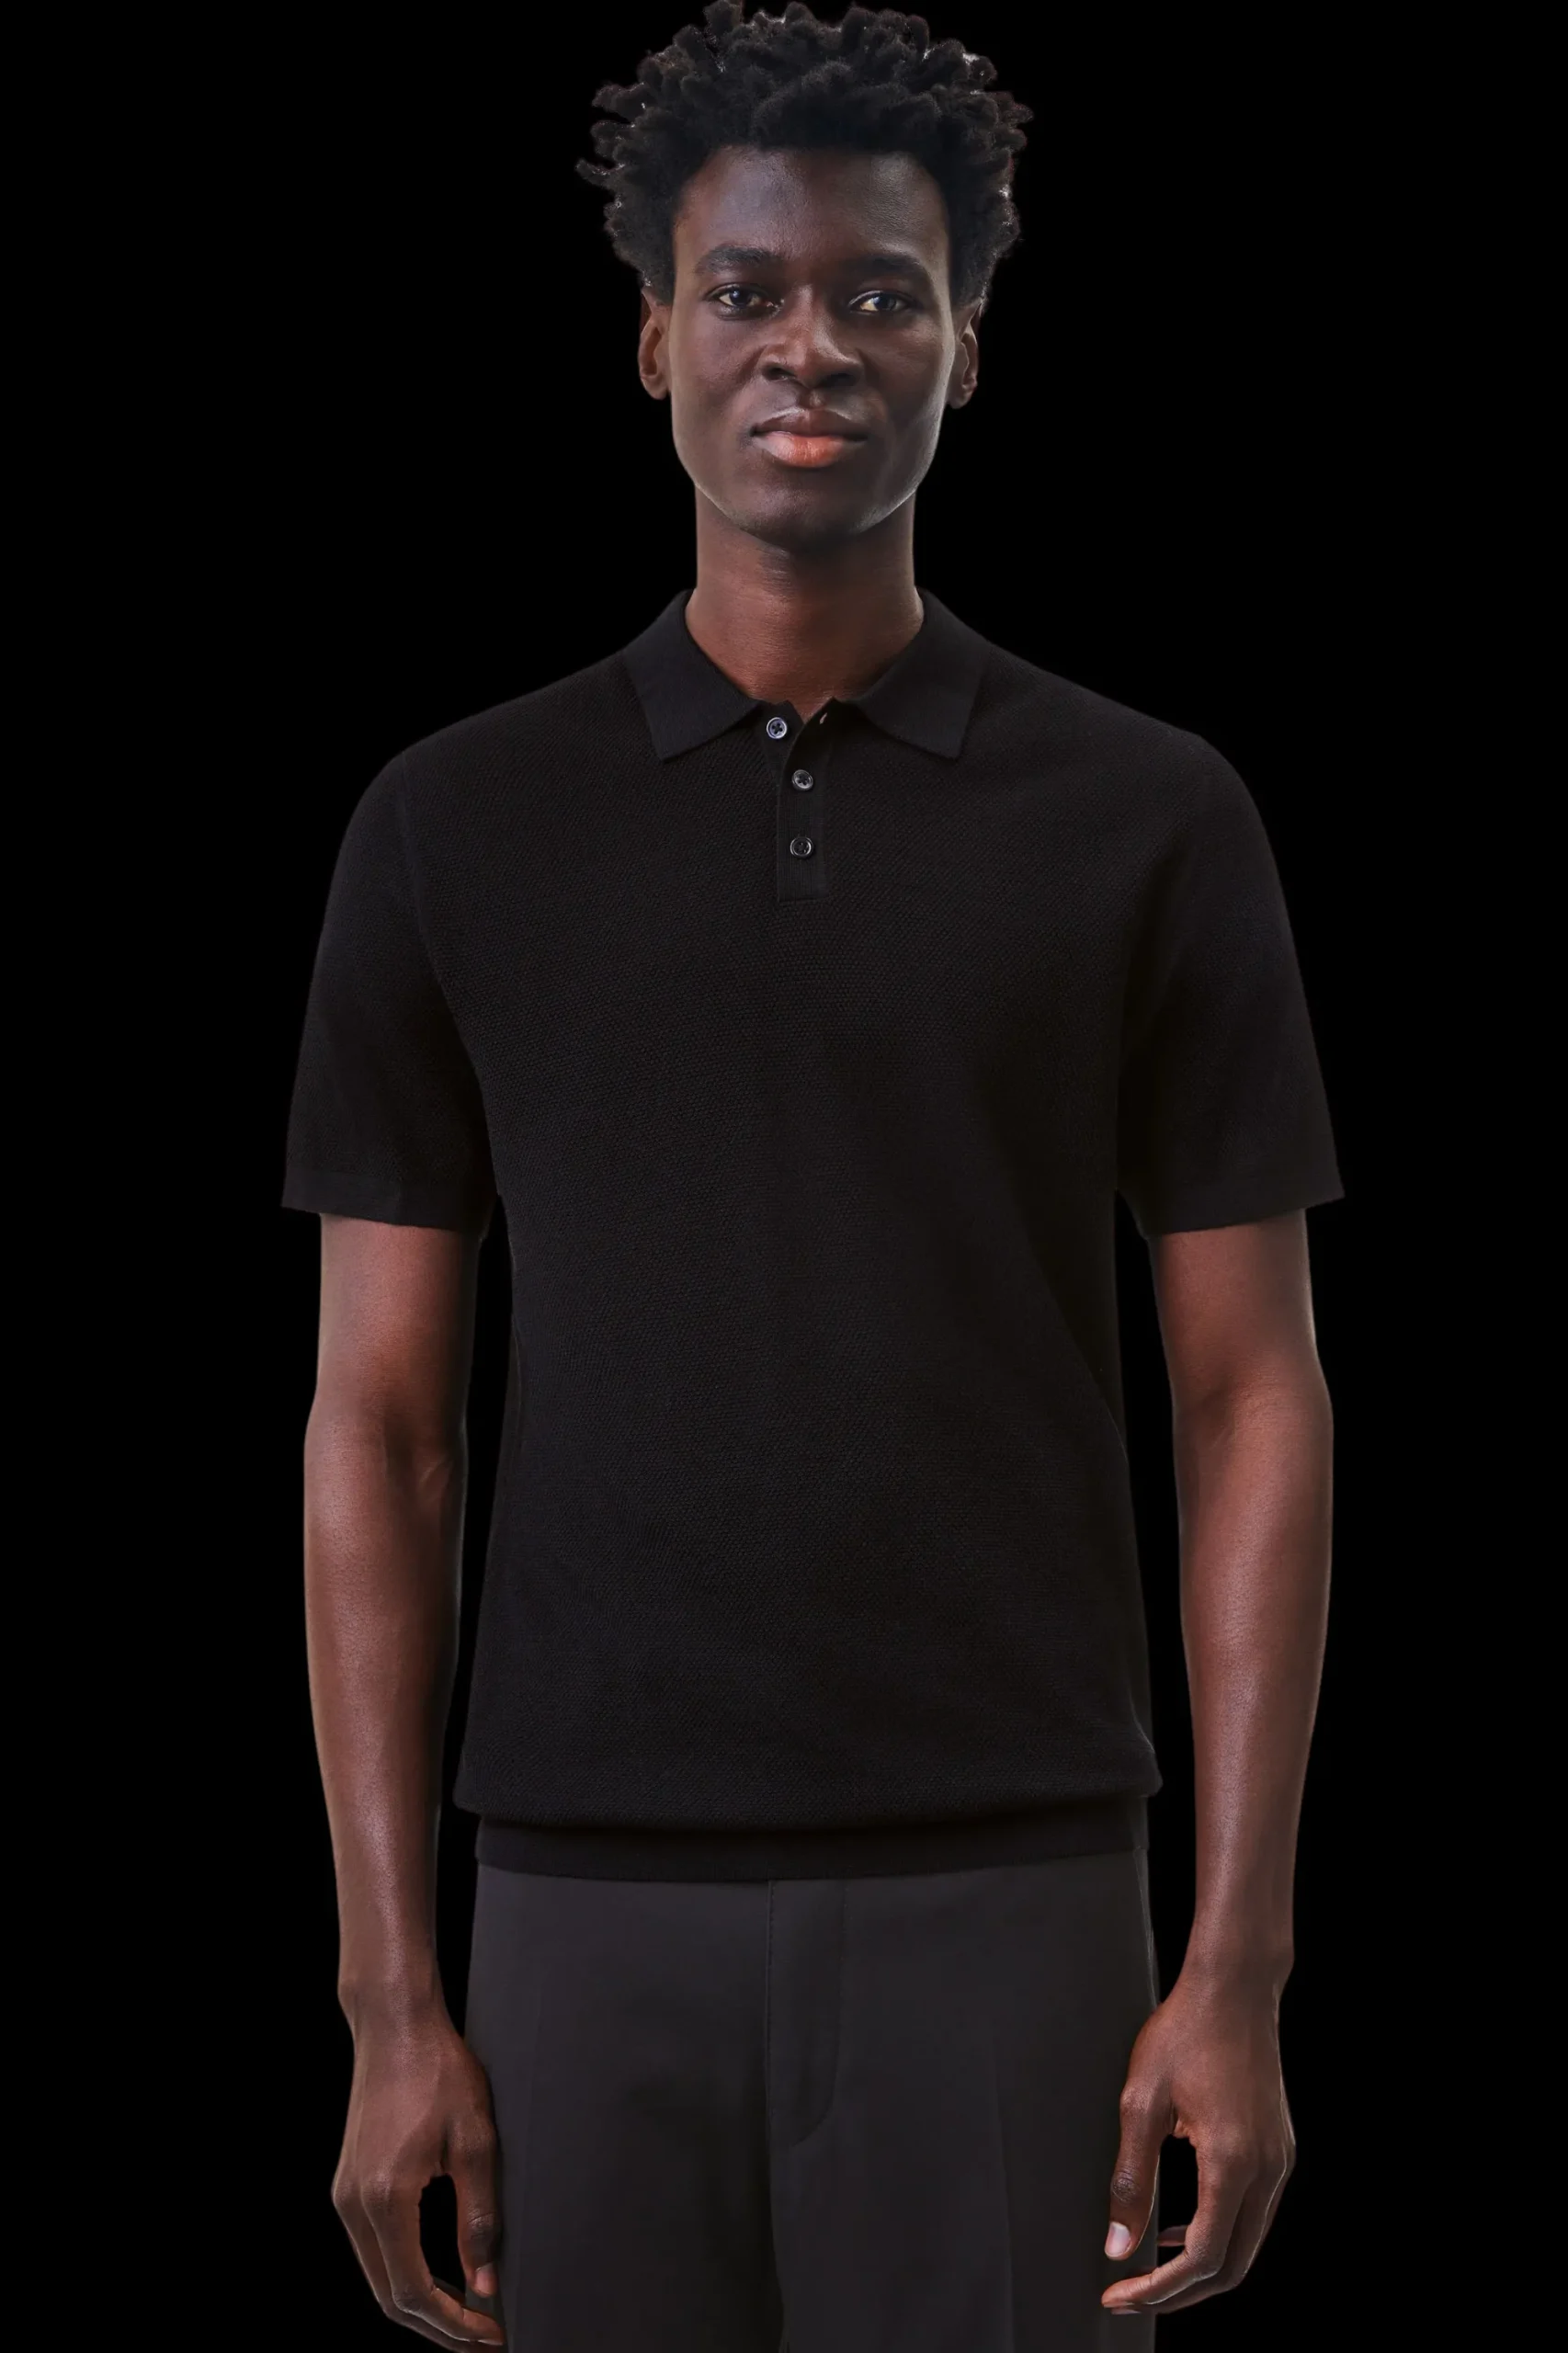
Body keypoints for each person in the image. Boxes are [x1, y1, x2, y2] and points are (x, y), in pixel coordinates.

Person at [281, 5, 1344, 2346]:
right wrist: (386, 1992)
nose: (811, 345)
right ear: (653, 338)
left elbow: (1251, 1393)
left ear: (967, 345)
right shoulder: (454, 823)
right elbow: (380, 1419)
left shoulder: (1149, 814)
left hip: (1017, 1890)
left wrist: (1239, 1961)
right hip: (576, 1908)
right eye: (747, 289)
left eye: (881, 293)